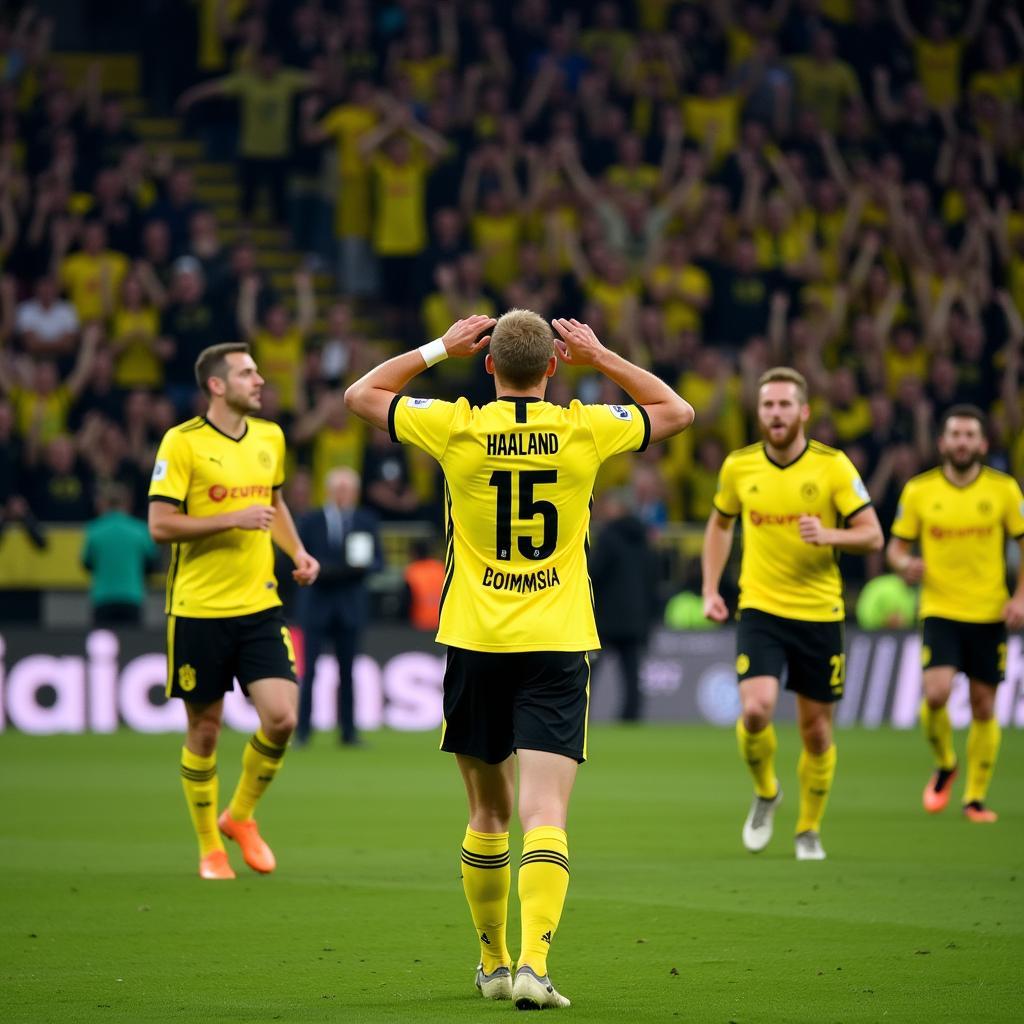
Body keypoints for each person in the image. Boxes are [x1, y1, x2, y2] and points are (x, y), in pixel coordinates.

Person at [344, 310, 693, 1008]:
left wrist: (439, 345)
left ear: (489, 365)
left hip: (475, 640)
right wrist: (604, 357)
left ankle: (494, 962)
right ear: (555, 367)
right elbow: (676, 411)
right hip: (558, 642)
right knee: (546, 812)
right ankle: (536, 964)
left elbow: (360, 396)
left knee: (487, 814)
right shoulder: (584, 430)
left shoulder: (455, 425)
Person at [147, 342, 320, 881]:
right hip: (198, 610)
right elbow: (160, 524)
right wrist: (232, 519)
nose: (260, 379)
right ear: (216, 386)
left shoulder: (271, 436)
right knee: (205, 730)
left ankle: (239, 816)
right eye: (247, 373)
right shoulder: (182, 444)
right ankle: (209, 849)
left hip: (259, 604)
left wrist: (296, 552)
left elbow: (275, 504)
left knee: (283, 717)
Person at [701, 367, 883, 861]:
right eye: (767, 406)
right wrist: (710, 587)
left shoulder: (833, 466)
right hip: (760, 607)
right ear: (758, 413)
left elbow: (873, 535)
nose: (775, 413)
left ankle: (807, 828)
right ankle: (766, 793)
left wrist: (831, 535)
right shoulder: (739, 467)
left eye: (784, 405)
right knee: (756, 710)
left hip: (820, 613)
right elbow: (719, 526)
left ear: (803, 412)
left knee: (817, 732)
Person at [886, 405, 1024, 823]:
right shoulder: (919, 491)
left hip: (988, 611)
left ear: (982, 444)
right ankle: (946, 762)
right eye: (955, 435)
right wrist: (903, 566)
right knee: (936, 694)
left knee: (984, 706)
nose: (962, 442)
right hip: (940, 608)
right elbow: (895, 548)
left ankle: (975, 799)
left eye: (970, 435)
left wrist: (1019, 597)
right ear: (942, 443)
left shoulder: (1004, 490)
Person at [295, 467, 383, 747]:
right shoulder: (310, 520)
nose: (344, 495)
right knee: (309, 671)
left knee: (348, 671)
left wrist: (337, 570)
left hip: (349, 606)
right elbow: (298, 559)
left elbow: (378, 561)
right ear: (329, 491)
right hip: (317, 605)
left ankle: (348, 732)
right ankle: (303, 733)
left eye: (349, 490)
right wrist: (341, 570)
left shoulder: (365, 520)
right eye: (340, 489)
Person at [588, 489, 659, 722]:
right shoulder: (643, 537)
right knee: (631, 674)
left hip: (607, 617)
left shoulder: (608, 536)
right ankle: (631, 717)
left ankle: (580, 714)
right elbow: (651, 577)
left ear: (619, 508)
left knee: (590, 671)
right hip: (635, 616)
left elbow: (594, 573)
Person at [82, 481, 159, 626]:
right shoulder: (140, 530)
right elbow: (152, 562)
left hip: (102, 598)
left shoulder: (94, 530)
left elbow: (86, 563)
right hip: (132, 597)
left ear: (103, 503)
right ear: (127, 503)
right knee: (132, 646)